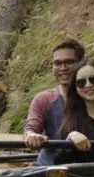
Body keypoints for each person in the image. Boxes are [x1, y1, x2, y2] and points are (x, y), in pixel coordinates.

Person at [23, 38, 84, 167]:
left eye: (69, 62)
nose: (63, 68)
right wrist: (32, 136)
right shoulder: (44, 99)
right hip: (49, 169)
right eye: (57, 63)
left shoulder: (93, 94)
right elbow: (32, 126)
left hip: (87, 167)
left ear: (81, 63)